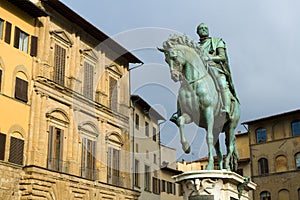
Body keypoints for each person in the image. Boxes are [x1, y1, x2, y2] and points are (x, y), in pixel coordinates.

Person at [196, 23, 238, 115]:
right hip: (199, 70)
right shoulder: (195, 46)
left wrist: (209, 58)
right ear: (197, 32)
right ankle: (180, 112)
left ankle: (226, 108)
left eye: (205, 28)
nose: (203, 30)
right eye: (201, 28)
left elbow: (222, 57)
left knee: (222, 84)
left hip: (215, 68)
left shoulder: (217, 41)